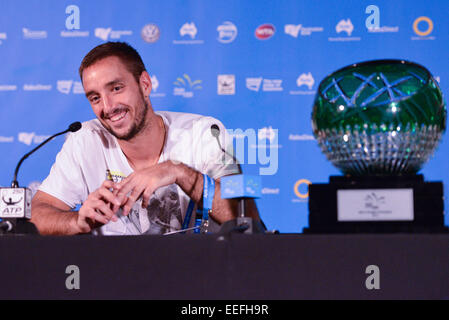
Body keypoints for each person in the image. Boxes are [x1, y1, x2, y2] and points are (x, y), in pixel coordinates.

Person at [31, 41, 260, 235]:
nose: (108, 106)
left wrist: (179, 172)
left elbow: (247, 218)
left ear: (145, 84)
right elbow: (38, 214)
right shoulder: (85, 140)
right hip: (112, 279)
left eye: (116, 88)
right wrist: (77, 221)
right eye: (95, 97)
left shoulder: (204, 132)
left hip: (193, 277)